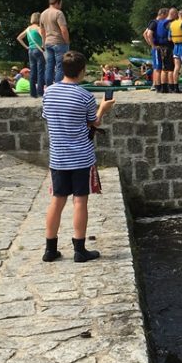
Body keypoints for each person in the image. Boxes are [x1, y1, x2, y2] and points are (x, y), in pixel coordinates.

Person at [41, 50, 114, 263]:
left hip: (58, 157)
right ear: (81, 71)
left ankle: (50, 248)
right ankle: (80, 250)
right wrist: (103, 108)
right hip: (81, 157)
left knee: (57, 200)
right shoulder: (84, 96)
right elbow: (94, 122)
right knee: (80, 201)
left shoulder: (50, 92)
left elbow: (47, 116)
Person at [41, 0, 70, 88]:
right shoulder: (58, 13)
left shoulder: (43, 14)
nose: (61, 5)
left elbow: (42, 31)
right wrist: (67, 42)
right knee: (60, 66)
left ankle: (49, 88)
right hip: (59, 42)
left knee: (49, 66)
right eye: (61, 3)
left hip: (48, 43)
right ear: (57, 2)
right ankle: (58, 88)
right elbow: (63, 30)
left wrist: (43, 43)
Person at [16, 12, 46, 97]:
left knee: (32, 72)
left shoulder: (28, 29)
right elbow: (44, 37)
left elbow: (19, 38)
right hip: (39, 50)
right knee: (40, 72)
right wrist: (44, 46)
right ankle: (40, 92)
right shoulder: (38, 28)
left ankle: (32, 93)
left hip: (31, 51)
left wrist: (26, 47)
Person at [143, 8, 172, 93]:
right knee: (157, 67)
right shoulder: (155, 22)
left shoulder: (156, 23)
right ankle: (156, 85)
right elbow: (147, 34)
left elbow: (145, 33)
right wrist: (153, 45)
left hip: (157, 46)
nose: (167, 17)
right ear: (162, 14)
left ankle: (156, 84)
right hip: (157, 47)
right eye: (167, 14)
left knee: (157, 67)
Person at [170, 9, 182, 87]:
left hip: (175, 47)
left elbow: (169, 38)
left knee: (176, 67)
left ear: (178, 15)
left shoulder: (172, 24)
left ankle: (175, 86)